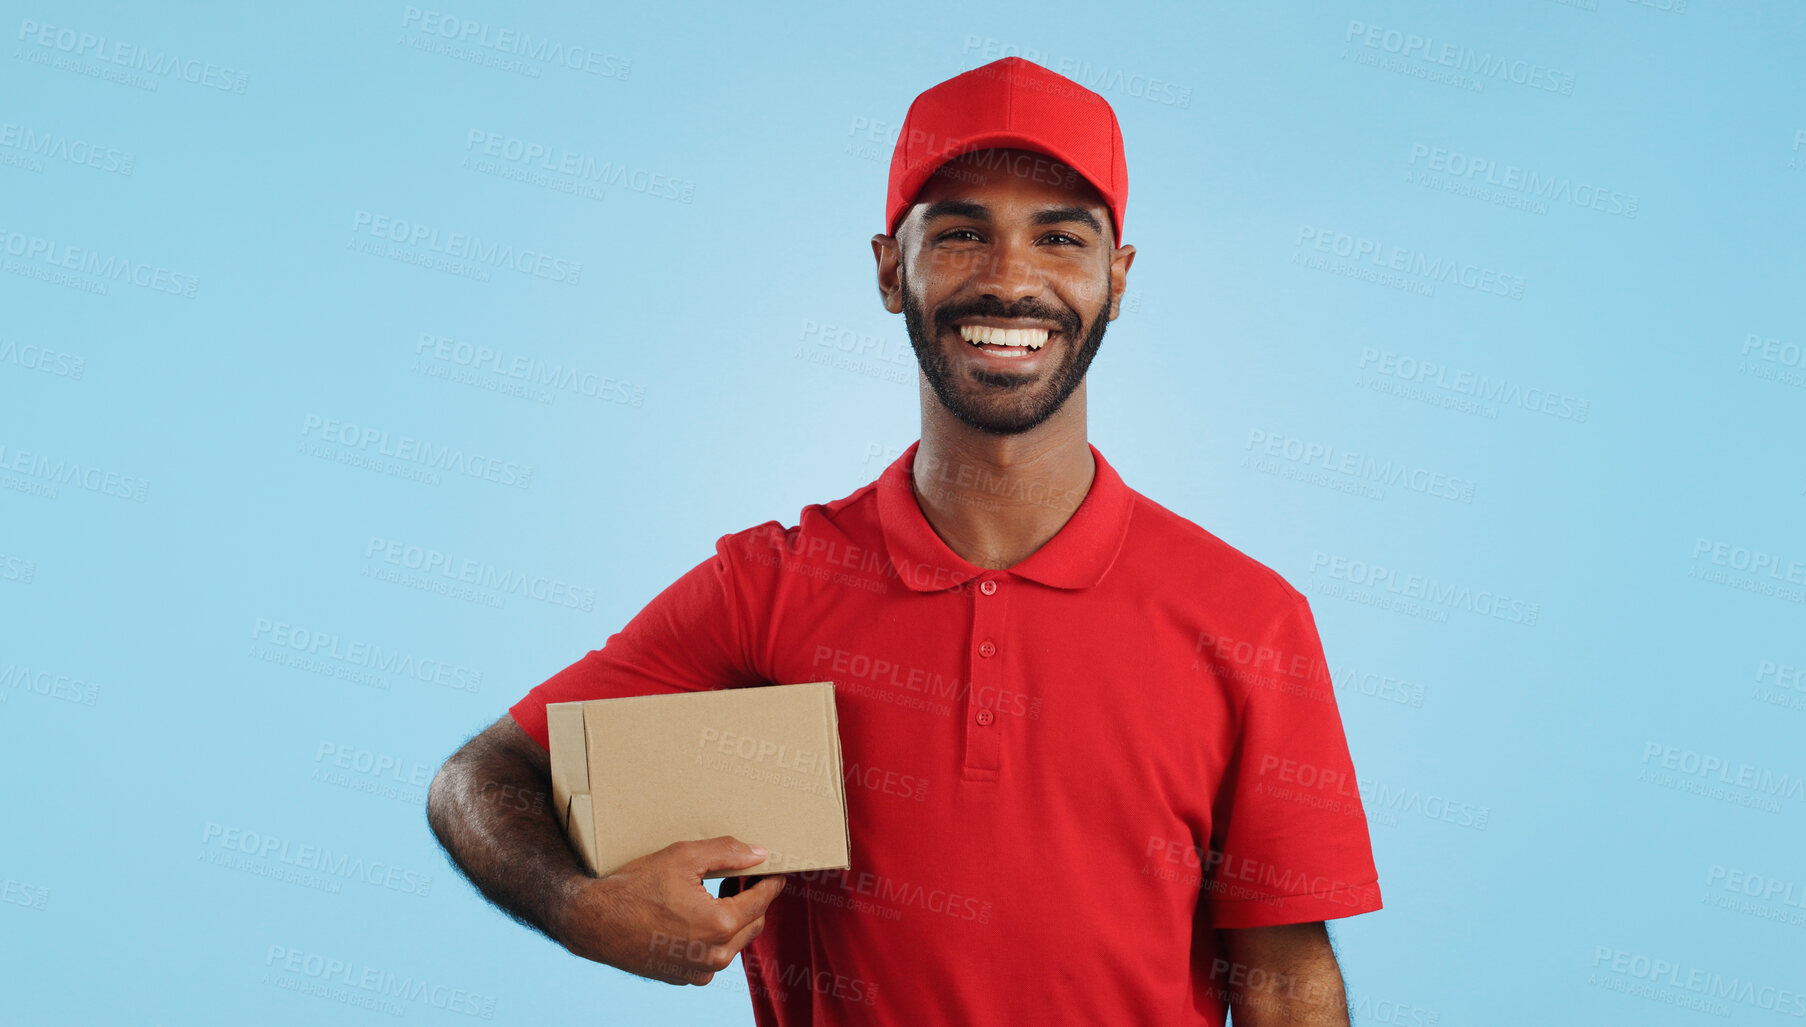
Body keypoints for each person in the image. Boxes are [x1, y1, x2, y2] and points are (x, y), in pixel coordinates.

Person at [427, 56, 1383, 1026]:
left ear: (1117, 278)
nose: (1011, 279)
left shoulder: (1249, 617)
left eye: (1060, 238)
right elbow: (479, 780)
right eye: (962, 232)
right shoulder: (767, 588)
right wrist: (581, 905)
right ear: (892, 269)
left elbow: (1285, 976)